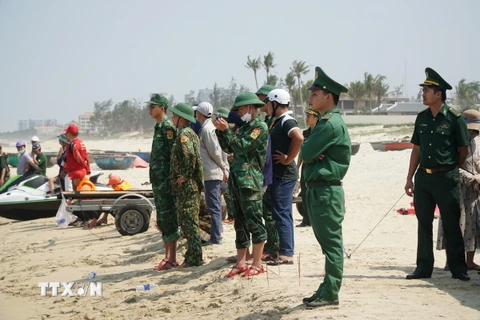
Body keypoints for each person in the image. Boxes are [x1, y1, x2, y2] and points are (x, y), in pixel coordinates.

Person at [404, 67, 470, 282]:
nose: (423, 94)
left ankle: (458, 269)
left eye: (427, 90)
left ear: (438, 93)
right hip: (423, 178)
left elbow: (463, 149)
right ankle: (423, 268)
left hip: (446, 178)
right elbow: (416, 149)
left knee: (451, 223)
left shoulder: (454, 119)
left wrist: (450, 169)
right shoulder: (421, 118)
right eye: (423, 90)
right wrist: (409, 178)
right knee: (423, 223)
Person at [299, 66, 351, 308]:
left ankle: (331, 292)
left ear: (328, 96)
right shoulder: (324, 122)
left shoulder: (329, 124)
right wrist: (311, 151)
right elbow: (308, 152)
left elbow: (306, 150)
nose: (311, 97)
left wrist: (312, 151)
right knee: (327, 244)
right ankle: (326, 288)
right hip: (318, 189)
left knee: (331, 245)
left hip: (326, 191)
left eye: (315, 94)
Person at [215, 92, 268, 277]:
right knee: (240, 223)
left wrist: (226, 131)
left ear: (251, 107)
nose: (238, 112)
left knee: (254, 222)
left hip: (250, 182)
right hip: (237, 181)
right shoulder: (244, 128)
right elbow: (229, 147)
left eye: (240, 108)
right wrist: (221, 132)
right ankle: (241, 262)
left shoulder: (259, 127)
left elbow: (241, 146)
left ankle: (257, 263)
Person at [436, 108, 480, 271]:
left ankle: (469, 261)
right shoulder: (452, 142)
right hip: (455, 188)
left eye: (476, 132)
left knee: (472, 225)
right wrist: (471, 178)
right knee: (454, 223)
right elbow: (450, 166)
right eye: (472, 131)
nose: (474, 134)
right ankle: (451, 262)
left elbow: (476, 163)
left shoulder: (474, 142)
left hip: (473, 192)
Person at [264, 89, 303, 266]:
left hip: (284, 176)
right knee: (278, 212)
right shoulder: (277, 121)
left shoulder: (287, 120)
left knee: (282, 213)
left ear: (275, 103)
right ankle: (280, 250)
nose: (265, 107)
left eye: (267, 103)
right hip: (277, 174)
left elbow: (299, 138)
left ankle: (287, 253)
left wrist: (288, 159)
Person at [170, 102, 204, 268]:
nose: (172, 118)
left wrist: (187, 175)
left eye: (174, 115)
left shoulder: (184, 134)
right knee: (189, 222)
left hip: (188, 186)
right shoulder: (190, 133)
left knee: (189, 222)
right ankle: (192, 256)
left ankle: (194, 258)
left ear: (181, 118)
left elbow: (189, 155)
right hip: (190, 185)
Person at [147, 94, 179, 271]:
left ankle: (172, 258)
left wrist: (172, 179)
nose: (150, 109)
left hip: (166, 181)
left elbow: (174, 155)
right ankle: (167, 256)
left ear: (162, 108)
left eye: (153, 106)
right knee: (162, 218)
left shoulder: (168, 127)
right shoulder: (158, 127)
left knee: (169, 217)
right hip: (158, 181)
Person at [195, 102, 230, 246]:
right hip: (211, 173)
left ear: (200, 114)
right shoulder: (207, 128)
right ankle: (215, 236)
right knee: (213, 206)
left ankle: (216, 238)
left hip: (213, 174)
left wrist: (223, 168)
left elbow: (215, 151)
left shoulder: (207, 130)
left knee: (214, 207)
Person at [255, 85, 280, 261]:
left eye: (261, 97)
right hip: (267, 172)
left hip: (275, 172)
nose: (259, 101)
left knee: (271, 213)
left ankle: (275, 246)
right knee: (266, 211)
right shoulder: (267, 120)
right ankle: (271, 245)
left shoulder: (276, 120)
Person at [296, 108, 320, 227]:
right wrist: (297, 166)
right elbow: (301, 151)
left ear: (316, 118)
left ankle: (315, 219)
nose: (307, 118)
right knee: (304, 192)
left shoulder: (320, 133)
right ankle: (306, 220)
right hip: (305, 165)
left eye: (309, 116)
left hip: (316, 166)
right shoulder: (304, 133)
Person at [63, 124, 91, 190]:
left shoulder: (73, 144)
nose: (65, 136)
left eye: (66, 134)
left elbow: (78, 158)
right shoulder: (81, 142)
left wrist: (85, 167)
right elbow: (86, 157)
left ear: (69, 134)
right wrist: (87, 170)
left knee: (77, 194)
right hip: (82, 172)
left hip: (76, 174)